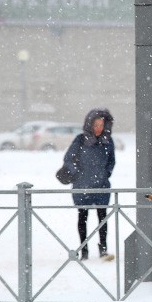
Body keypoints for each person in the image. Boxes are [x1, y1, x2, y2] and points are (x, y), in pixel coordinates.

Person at [63, 109, 116, 260]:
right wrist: (78, 173)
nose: (99, 128)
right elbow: (69, 158)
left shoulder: (108, 141)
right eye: (96, 125)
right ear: (89, 125)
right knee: (83, 216)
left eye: (101, 125)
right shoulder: (80, 140)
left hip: (101, 185)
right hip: (82, 185)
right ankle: (84, 249)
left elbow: (111, 161)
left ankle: (103, 249)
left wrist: (106, 174)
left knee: (102, 217)